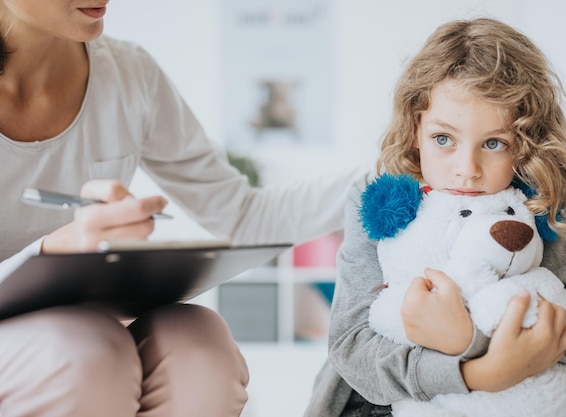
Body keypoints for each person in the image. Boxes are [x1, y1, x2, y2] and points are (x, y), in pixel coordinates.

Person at [0, 1, 365, 416]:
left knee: (200, 345)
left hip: (81, 331)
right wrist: (51, 255)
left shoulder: (127, 74)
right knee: (83, 354)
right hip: (70, 347)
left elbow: (242, 217)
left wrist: (395, 168)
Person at [304, 17, 566, 417]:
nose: (467, 168)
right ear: (415, 128)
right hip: (378, 404)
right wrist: (477, 369)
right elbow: (353, 347)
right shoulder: (378, 198)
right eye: (443, 139)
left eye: (494, 143)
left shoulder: (528, 205)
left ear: (526, 145)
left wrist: (470, 337)